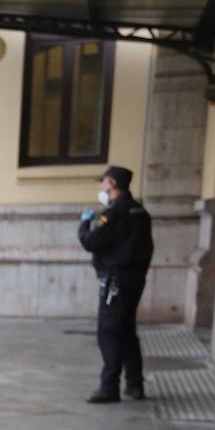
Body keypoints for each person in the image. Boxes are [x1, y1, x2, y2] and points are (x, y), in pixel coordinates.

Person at [78, 165, 154, 404]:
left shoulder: (114, 213)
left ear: (111, 183)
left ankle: (109, 387)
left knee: (109, 331)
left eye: (103, 182)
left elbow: (91, 242)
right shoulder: (140, 211)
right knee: (127, 331)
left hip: (116, 281)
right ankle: (134, 384)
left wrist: (84, 225)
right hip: (134, 278)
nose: (101, 186)